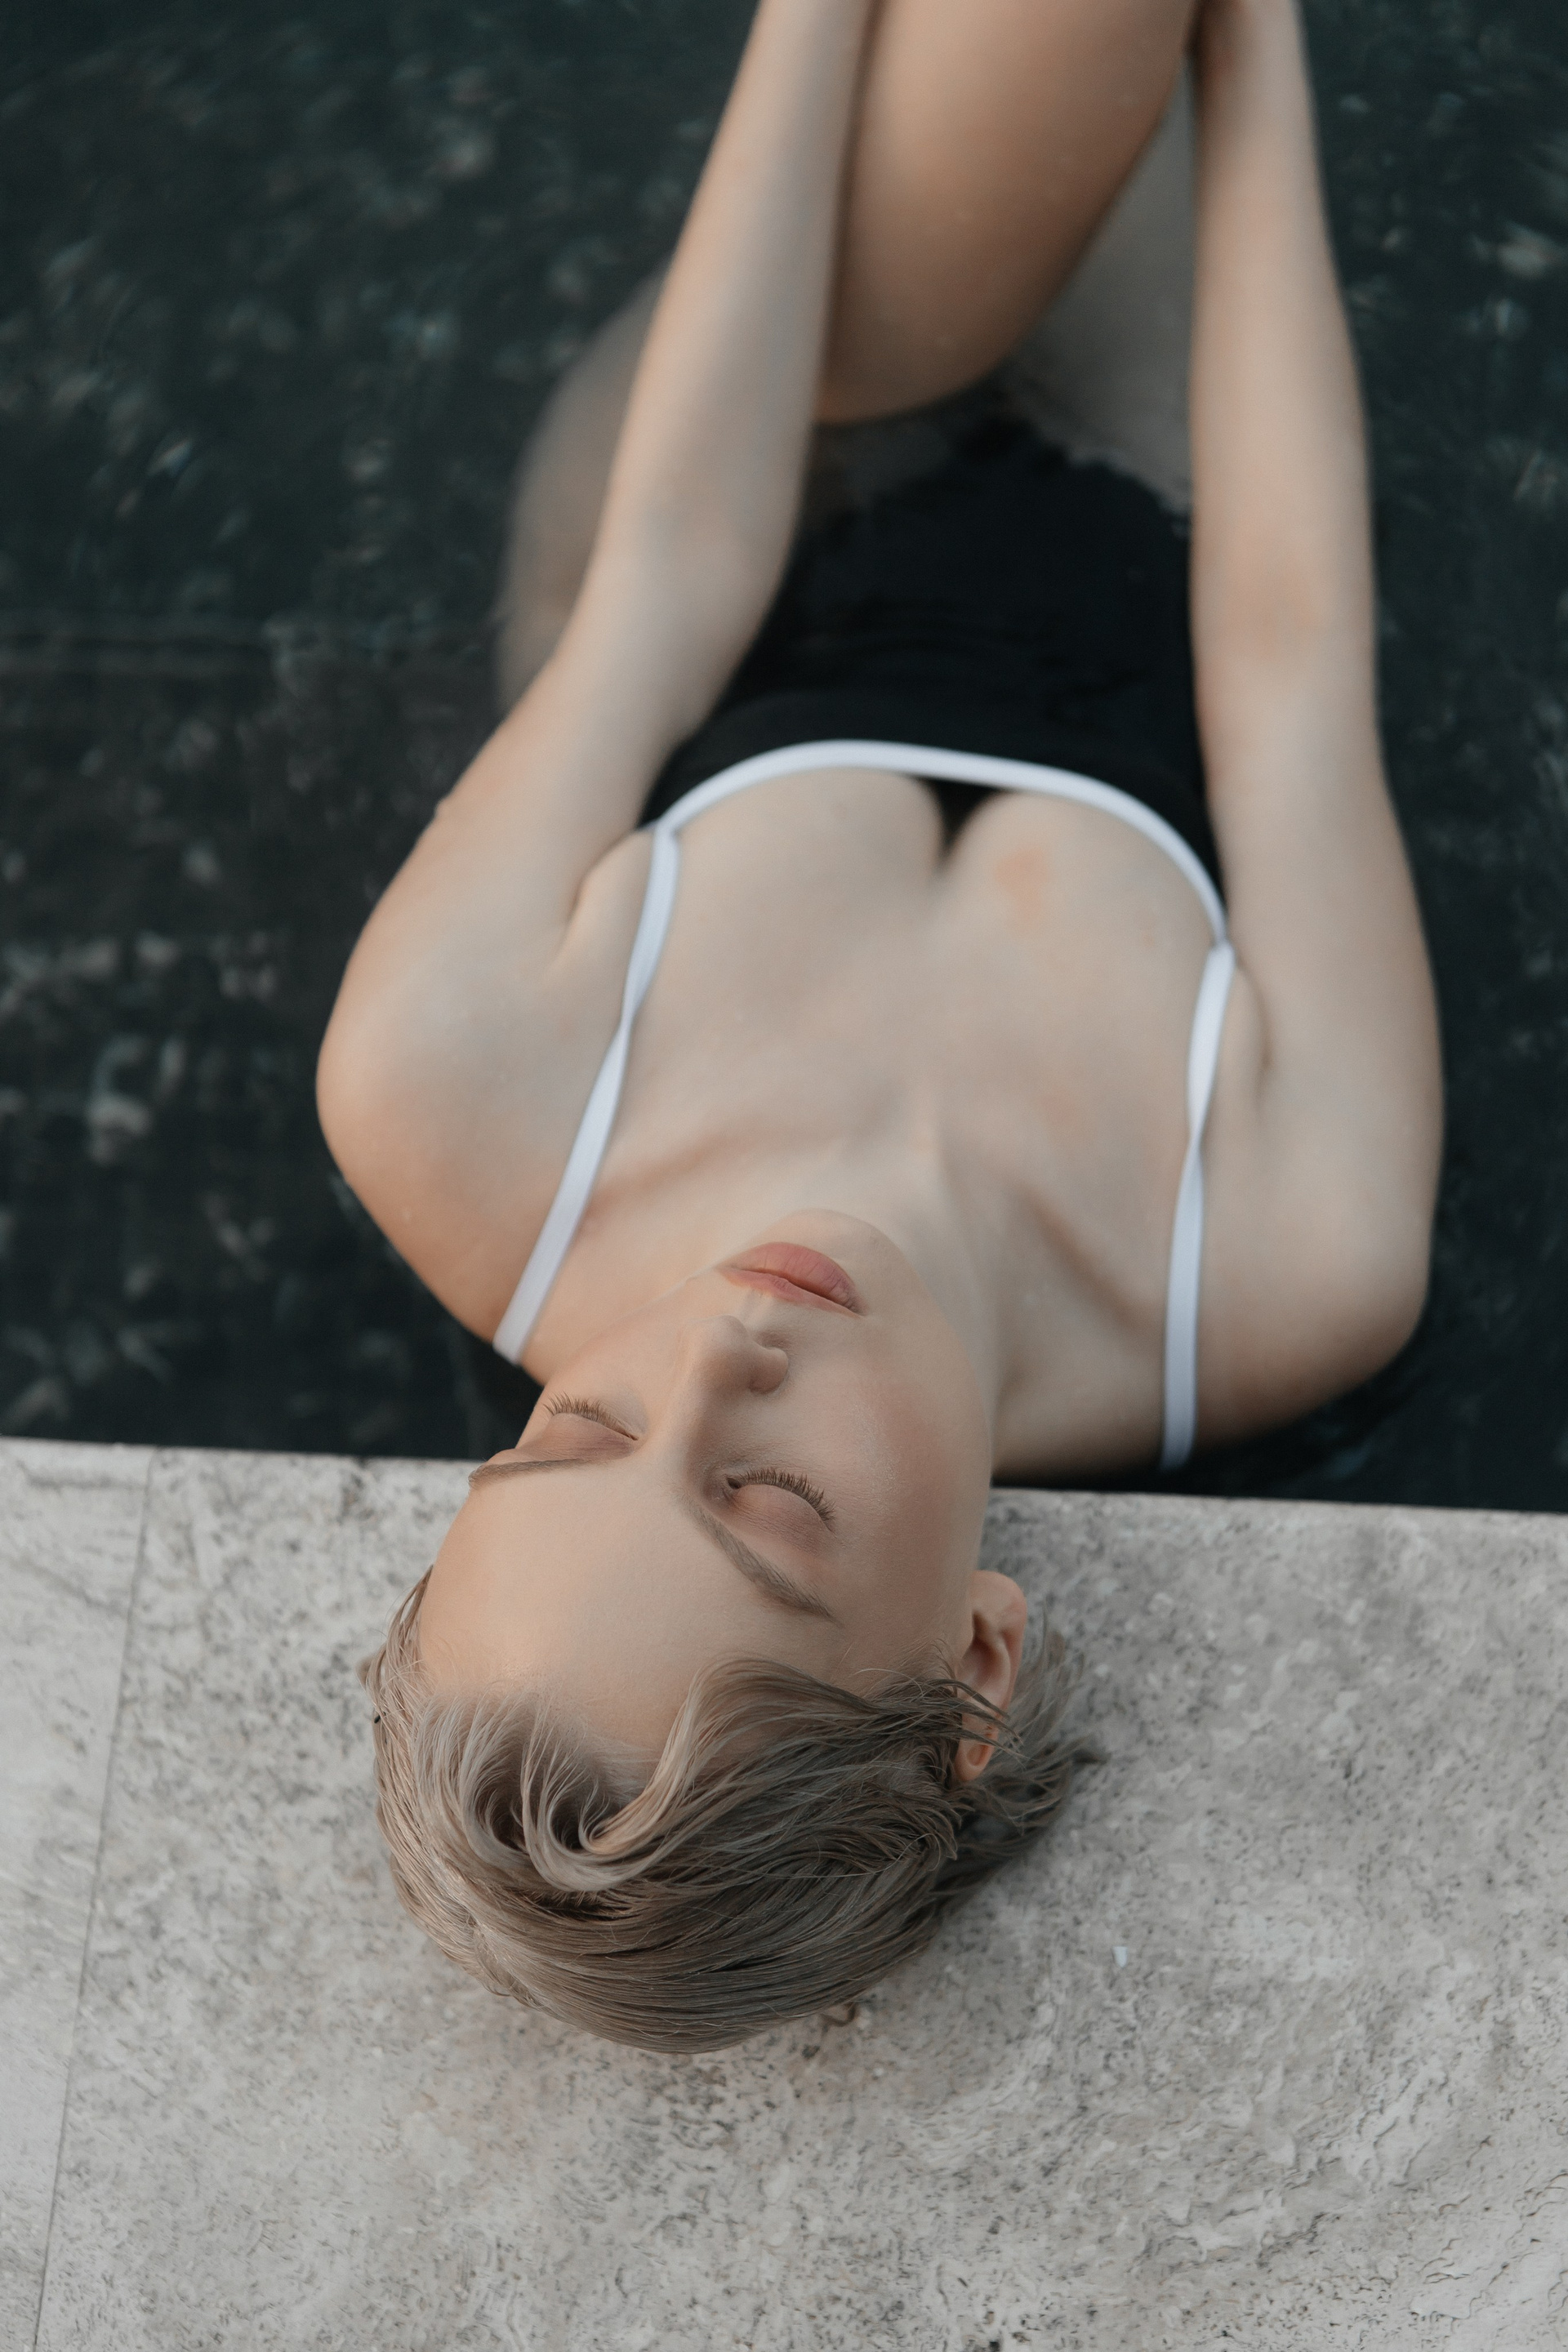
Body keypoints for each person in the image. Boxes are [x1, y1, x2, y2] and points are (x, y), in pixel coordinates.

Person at [318, 0, 1442, 2051]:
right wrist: (1260, 46)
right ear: (977, 1670)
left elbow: (666, 568)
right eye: (771, 1504)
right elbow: (1290, 661)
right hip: (1151, 486)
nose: (719, 1354)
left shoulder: (452, 1090)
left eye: (577, 1430)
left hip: (781, 441)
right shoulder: (1290, 1249)